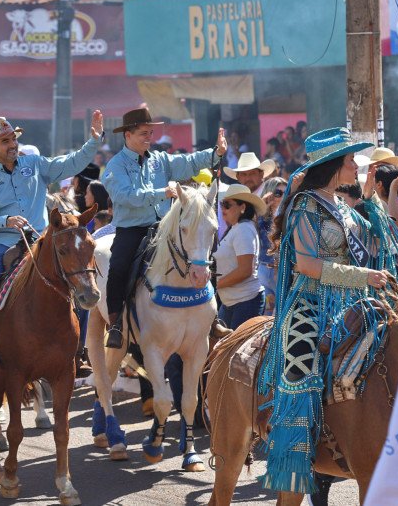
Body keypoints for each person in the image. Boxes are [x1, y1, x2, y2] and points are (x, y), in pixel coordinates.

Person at [257, 127, 398, 494]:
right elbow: (307, 265)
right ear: (332, 165)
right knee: (301, 368)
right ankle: (296, 448)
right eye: (349, 160)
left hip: (349, 302)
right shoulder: (305, 206)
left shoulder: (342, 205)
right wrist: (363, 276)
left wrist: (373, 199)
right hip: (309, 303)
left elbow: (376, 242)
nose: (356, 165)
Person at [0, 111, 104, 383]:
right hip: (2, 244)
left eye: (13, 139)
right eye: (4, 141)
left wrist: (94, 141)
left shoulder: (35, 164)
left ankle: (79, 350)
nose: (12, 144)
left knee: (82, 279)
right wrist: (4, 220)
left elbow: (71, 162)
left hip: (42, 242)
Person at [102, 107, 226, 348]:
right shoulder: (115, 166)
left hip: (164, 227)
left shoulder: (160, 160)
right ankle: (116, 323)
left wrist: (216, 152)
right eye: (143, 133)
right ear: (127, 135)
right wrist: (162, 193)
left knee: (206, 256)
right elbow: (125, 196)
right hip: (133, 229)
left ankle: (213, 319)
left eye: (150, 132)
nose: (149, 137)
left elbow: (189, 162)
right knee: (118, 266)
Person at [213, 184, 266, 329]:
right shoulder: (237, 228)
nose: (223, 209)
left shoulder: (243, 229)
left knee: (234, 351)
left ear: (242, 207)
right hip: (234, 302)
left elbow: (244, 270)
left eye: (227, 205)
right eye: (222, 204)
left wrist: (214, 285)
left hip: (245, 302)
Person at [257, 177, 286, 315]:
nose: (282, 196)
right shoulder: (261, 217)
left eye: (286, 193)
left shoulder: (289, 216)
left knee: (278, 313)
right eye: (278, 193)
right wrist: (262, 208)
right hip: (263, 269)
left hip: (280, 270)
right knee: (266, 314)